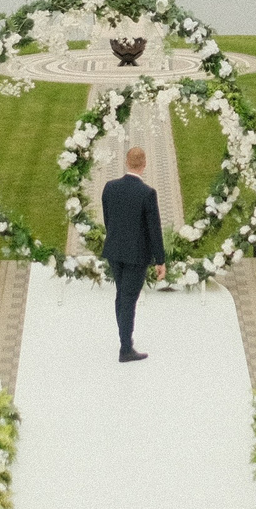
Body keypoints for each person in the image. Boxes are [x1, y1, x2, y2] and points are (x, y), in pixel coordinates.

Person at [101, 145, 167, 363]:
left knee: (121, 295)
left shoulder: (110, 187)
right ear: (145, 164)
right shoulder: (147, 193)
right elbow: (154, 229)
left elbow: (107, 219)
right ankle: (125, 348)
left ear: (126, 163)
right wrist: (160, 260)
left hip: (114, 250)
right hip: (136, 255)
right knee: (128, 299)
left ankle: (124, 340)